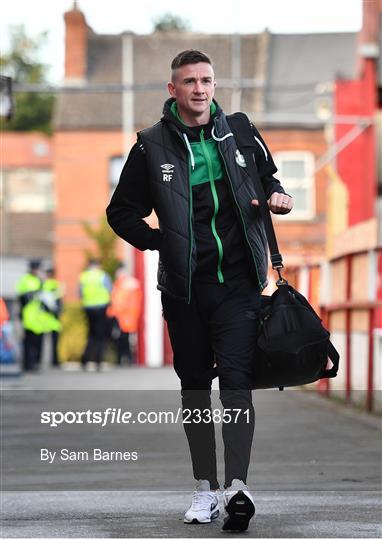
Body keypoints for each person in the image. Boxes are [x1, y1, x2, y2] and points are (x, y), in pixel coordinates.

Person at [106, 49, 293, 532]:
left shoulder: (242, 131)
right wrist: (158, 242)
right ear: (173, 90)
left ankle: (237, 489)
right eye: (188, 81)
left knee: (235, 382)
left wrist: (278, 197)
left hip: (239, 284)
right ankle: (204, 489)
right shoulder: (150, 146)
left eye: (206, 80)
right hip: (186, 289)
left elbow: (268, 179)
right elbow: (120, 212)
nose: (199, 88)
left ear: (214, 84)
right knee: (194, 386)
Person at [79, 259, 112, 371]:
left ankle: (85, 359)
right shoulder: (102, 276)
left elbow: (80, 292)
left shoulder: (84, 276)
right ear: (98, 265)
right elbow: (110, 290)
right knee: (100, 335)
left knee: (90, 334)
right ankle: (98, 360)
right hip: (101, 307)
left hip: (88, 307)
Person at [107, 264, 142, 365]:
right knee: (125, 339)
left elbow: (119, 302)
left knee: (124, 339)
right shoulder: (128, 283)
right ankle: (127, 359)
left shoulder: (125, 284)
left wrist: (111, 312)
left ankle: (125, 359)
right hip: (126, 316)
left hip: (124, 317)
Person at [15, 259, 44, 371]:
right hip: (28, 316)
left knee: (36, 342)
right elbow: (21, 296)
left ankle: (33, 363)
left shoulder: (38, 280)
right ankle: (27, 364)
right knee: (28, 342)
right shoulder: (25, 280)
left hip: (37, 317)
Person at [42, 267, 64, 367]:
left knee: (42, 340)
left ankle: (39, 360)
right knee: (55, 340)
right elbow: (59, 301)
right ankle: (55, 361)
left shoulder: (43, 284)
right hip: (53, 317)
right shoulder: (55, 285)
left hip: (44, 317)